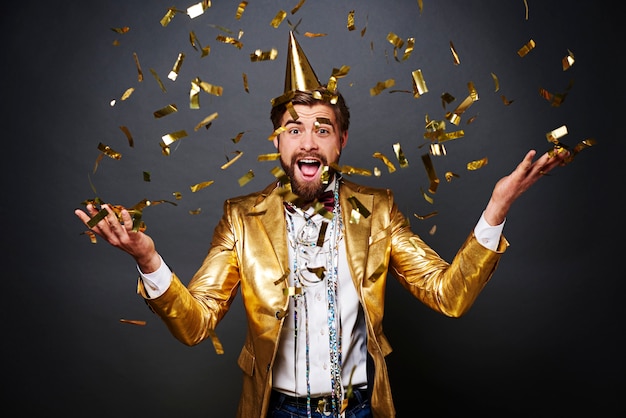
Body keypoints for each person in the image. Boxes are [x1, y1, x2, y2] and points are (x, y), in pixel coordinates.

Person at [75, 32, 569, 418]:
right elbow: (196, 324)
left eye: (322, 129)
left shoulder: (378, 211)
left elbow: (449, 294)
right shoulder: (241, 220)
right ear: (278, 143)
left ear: (341, 143)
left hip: (357, 409)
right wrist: (148, 260)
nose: (308, 141)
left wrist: (496, 210)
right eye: (294, 129)